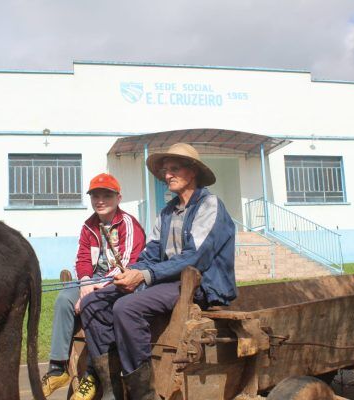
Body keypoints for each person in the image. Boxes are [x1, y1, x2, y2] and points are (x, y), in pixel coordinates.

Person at [80, 143, 237, 400]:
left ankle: (144, 394)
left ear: (193, 171)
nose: (167, 176)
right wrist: (127, 274)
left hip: (200, 286)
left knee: (126, 308)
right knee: (92, 303)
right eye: (165, 170)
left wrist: (143, 276)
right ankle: (111, 387)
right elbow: (150, 254)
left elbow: (195, 258)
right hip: (165, 283)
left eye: (174, 169)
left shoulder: (210, 205)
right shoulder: (166, 213)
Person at [41, 173, 146, 399]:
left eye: (106, 195)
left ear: (119, 198)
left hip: (122, 282)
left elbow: (128, 264)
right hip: (95, 280)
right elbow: (82, 259)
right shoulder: (89, 226)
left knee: (91, 303)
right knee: (62, 300)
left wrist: (95, 288)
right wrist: (86, 282)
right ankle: (57, 367)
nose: (100, 200)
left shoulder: (128, 223)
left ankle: (93, 374)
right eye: (95, 195)